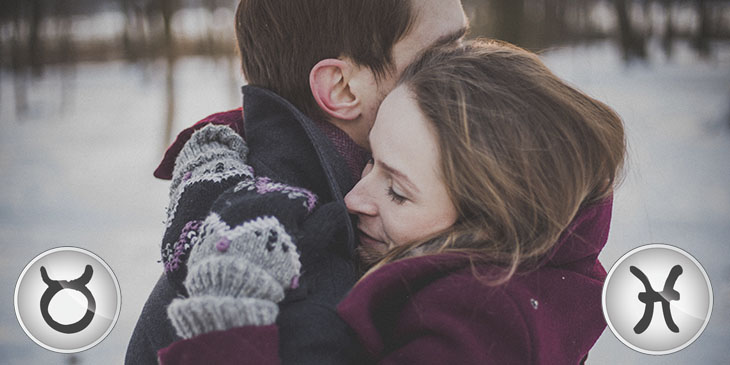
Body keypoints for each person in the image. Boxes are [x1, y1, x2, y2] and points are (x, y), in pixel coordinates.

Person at [155, 40, 625, 364]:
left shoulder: (482, 327)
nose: (355, 198)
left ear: (492, 221)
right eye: (370, 159)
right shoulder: (509, 281)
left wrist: (229, 328)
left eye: (398, 191)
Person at [126, 0, 468, 364]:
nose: (473, 70)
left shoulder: (331, 216)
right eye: (444, 54)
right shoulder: (305, 292)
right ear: (342, 89)